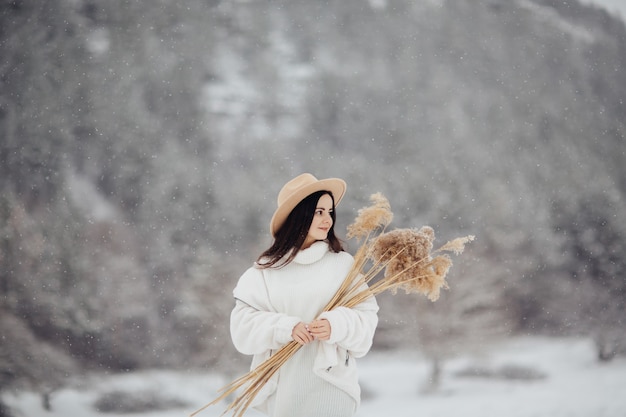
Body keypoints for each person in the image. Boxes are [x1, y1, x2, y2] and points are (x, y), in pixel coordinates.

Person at [230, 173, 379, 417]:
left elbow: (366, 321)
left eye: (330, 212)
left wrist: (336, 325)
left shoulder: (343, 265)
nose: (327, 219)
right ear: (299, 215)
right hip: (280, 388)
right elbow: (242, 329)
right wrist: (285, 328)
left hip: (331, 386)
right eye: (319, 211)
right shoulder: (264, 271)